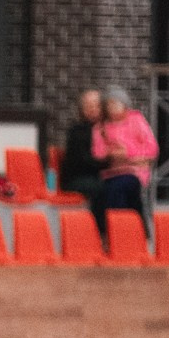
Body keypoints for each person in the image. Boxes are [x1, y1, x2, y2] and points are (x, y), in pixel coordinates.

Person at [94, 85, 158, 218]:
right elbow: (98, 152)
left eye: (115, 103)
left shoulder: (136, 119)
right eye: (109, 104)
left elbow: (152, 148)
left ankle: (122, 225)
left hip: (135, 171)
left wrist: (128, 154)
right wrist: (111, 153)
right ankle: (118, 227)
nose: (112, 107)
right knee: (109, 192)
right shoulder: (100, 127)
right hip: (111, 172)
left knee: (122, 187)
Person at [58, 88, 108, 241]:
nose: (93, 109)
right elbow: (83, 161)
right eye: (89, 105)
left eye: (97, 105)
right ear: (82, 109)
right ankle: (100, 234)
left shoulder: (107, 130)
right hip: (77, 179)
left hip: (97, 175)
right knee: (101, 189)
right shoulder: (77, 132)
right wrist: (109, 162)